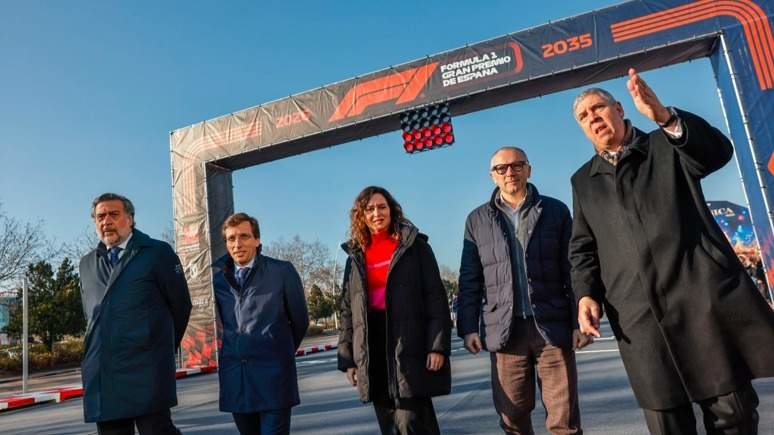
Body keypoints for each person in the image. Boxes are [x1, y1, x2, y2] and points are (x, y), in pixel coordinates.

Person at [569, 68, 774, 434]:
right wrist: (586, 294)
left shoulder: (665, 145)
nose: (592, 118)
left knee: (733, 415)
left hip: (702, 304)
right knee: (667, 422)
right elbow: (583, 247)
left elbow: (716, 152)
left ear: (619, 108)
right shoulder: (583, 181)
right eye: (583, 117)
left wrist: (664, 116)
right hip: (640, 319)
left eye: (598, 108)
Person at [457, 147, 590, 434]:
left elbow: (573, 268)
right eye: (501, 169)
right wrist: (468, 327)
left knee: (564, 420)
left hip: (552, 328)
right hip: (505, 332)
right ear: (492, 176)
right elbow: (470, 278)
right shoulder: (477, 220)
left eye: (517, 165)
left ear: (529, 169)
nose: (510, 172)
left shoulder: (555, 210)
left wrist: (579, 321)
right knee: (512, 417)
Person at [338, 186, 451, 435]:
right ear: (361, 215)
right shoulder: (355, 257)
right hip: (372, 343)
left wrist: (437, 346)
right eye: (369, 209)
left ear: (392, 210)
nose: (376, 213)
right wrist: (348, 359)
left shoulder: (415, 248)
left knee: (412, 420)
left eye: (382, 207)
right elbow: (348, 311)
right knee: (388, 422)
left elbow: (435, 298)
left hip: (408, 339)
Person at [79, 193, 192, 435]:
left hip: (147, 369)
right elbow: (90, 315)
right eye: (100, 216)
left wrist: (160, 347)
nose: (106, 221)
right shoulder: (86, 264)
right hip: (104, 373)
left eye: (114, 214)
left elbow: (181, 306)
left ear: (130, 219)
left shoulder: (157, 253)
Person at [213, 212, 309, 435]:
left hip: (273, 377)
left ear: (257, 240)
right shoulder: (218, 278)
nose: (237, 244)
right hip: (236, 378)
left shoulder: (282, 271)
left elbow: (300, 321)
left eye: (244, 237)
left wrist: (277, 350)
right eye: (231, 239)